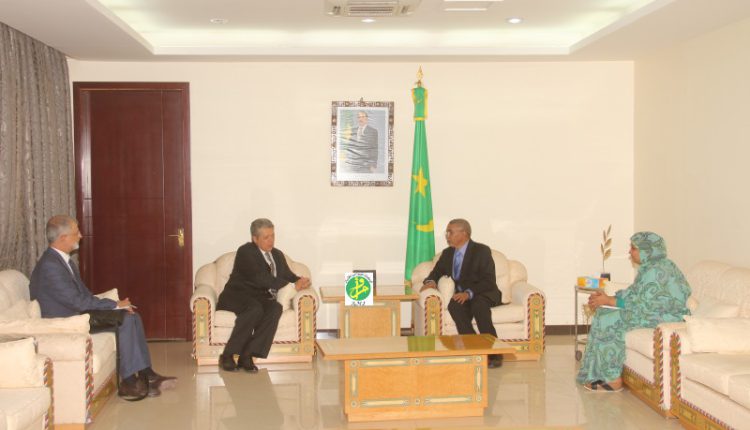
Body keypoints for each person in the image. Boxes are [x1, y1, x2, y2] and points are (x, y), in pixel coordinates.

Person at [29, 215, 175, 399]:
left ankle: (147, 373)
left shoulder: (63, 261)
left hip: (78, 313)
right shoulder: (50, 266)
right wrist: (114, 304)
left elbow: (85, 295)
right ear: (63, 238)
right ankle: (129, 381)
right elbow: (76, 301)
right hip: (67, 321)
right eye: (76, 232)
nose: (80, 236)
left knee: (132, 316)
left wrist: (115, 307)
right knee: (125, 320)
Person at [577, 231, 691, 392]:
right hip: (652, 311)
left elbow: (643, 303)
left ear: (647, 250)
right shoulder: (650, 267)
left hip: (667, 316)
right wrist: (608, 298)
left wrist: (609, 301)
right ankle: (597, 373)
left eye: (634, 248)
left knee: (610, 320)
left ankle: (612, 379)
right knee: (603, 314)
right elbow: (635, 294)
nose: (630, 252)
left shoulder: (658, 270)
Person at [217, 218, 311, 373]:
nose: (271, 240)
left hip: (258, 298)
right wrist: (292, 286)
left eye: (272, 235)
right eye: (266, 237)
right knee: (255, 309)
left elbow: (288, 275)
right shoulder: (246, 252)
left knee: (275, 308)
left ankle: (247, 356)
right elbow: (260, 278)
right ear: (255, 239)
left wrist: (300, 281)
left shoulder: (277, 255)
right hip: (237, 294)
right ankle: (227, 355)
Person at [420, 219, 503, 368]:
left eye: (450, 232)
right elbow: (436, 272)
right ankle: (474, 347)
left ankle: (495, 354)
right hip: (462, 295)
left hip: (484, 292)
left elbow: (488, 280)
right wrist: (431, 282)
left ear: (464, 233)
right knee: (455, 306)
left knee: (479, 305)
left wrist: (469, 293)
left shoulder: (481, 251)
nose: (447, 236)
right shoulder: (448, 253)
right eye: (447, 232)